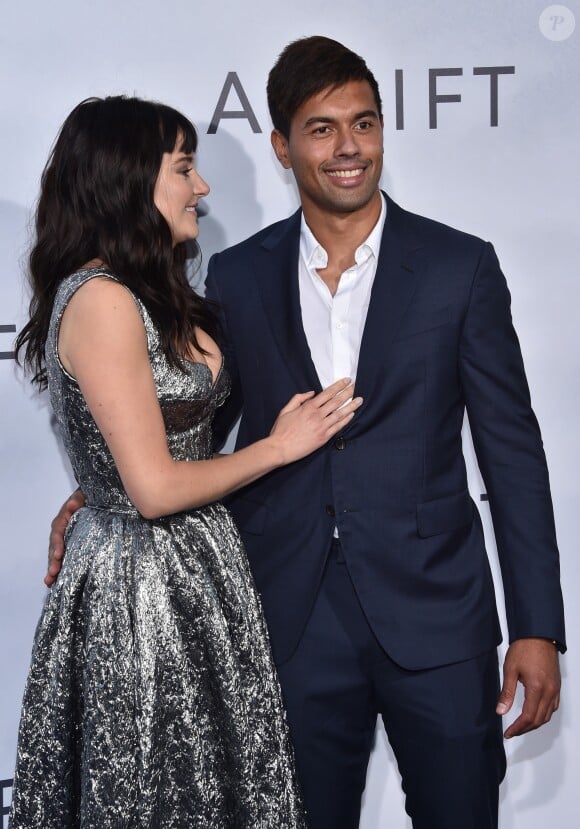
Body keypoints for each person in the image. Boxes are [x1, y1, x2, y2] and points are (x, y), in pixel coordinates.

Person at [47, 38, 566, 829]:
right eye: (322, 129)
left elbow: (515, 456)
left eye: (364, 123)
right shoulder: (239, 274)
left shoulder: (461, 267)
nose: (349, 147)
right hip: (287, 616)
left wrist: (536, 624)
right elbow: (196, 424)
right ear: (282, 147)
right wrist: (101, 484)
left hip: (437, 617)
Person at [10, 95, 363, 829]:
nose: (202, 188)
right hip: (139, 590)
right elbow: (153, 487)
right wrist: (277, 446)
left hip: (199, 572)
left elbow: (151, 442)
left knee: (212, 789)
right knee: (155, 790)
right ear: (129, 180)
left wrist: (91, 487)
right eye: (184, 168)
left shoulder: (153, 292)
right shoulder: (102, 300)